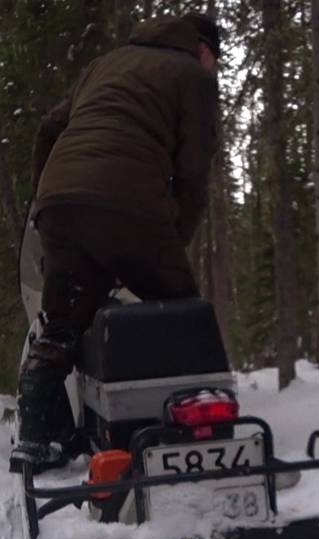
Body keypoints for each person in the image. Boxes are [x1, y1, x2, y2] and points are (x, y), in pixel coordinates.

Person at [12, 12, 222, 473]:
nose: (214, 68)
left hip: (60, 207)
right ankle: (194, 437)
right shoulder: (194, 78)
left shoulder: (107, 64)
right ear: (203, 48)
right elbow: (191, 175)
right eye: (215, 59)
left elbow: (50, 126)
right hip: (129, 204)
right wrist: (172, 241)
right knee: (182, 315)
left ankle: (34, 440)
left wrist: (43, 195)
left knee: (62, 322)